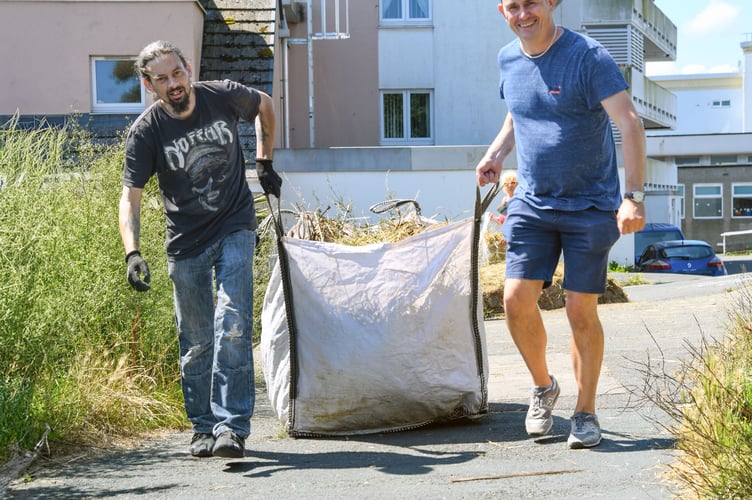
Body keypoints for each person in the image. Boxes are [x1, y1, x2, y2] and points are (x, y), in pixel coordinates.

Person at [476, 0, 646, 449]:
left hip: (590, 204)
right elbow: (519, 111)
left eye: (532, 3)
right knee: (515, 300)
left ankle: (585, 411)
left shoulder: (588, 56)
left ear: (551, 3)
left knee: (578, 310)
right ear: (502, 11)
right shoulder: (508, 58)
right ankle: (543, 385)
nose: (523, 14)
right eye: (513, 6)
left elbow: (628, 122)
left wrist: (632, 197)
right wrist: (495, 153)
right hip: (532, 202)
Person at [118, 40, 280, 458]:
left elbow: (265, 104)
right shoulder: (146, 131)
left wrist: (264, 161)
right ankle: (203, 427)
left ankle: (232, 428)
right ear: (148, 84)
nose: (173, 83)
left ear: (188, 68)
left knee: (233, 323)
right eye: (162, 78)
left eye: (177, 73)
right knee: (195, 341)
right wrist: (132, 251)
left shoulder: (221, 94)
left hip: (235, 224)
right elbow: (130, 198)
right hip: (186, 241)